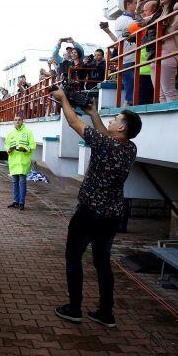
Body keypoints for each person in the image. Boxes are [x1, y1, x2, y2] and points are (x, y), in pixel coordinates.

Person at [50, 89, 141, 329]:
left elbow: (72, 122)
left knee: (73, 256)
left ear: (122, 128)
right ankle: (105, 313)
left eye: (115, 120)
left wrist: (63, 99)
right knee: (102, 261)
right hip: (112, 215)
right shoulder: (129, 148)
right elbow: (104, 136)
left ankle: (74, 308)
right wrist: (94, 114)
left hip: (89, 211)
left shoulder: (107, 145)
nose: (111, 121)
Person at [4, 114, 35, 211]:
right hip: (13, 162)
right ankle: (15, 201)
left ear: (23, 121)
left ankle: (21, 202)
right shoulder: (10, 133)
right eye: (15, 120)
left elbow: (32, 145)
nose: (17, 121)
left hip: (23, 162)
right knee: (14, 182)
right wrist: (9, 150)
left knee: (22, 182)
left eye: (19, 120)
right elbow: (6, 145)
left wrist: (25, 149)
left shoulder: (28, 132)